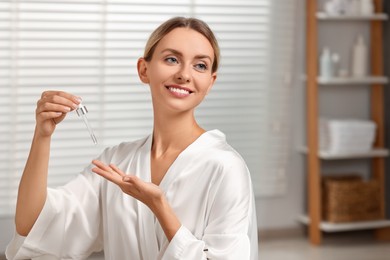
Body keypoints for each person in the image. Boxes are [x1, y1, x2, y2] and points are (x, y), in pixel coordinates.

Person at [6, 16, 258, 260]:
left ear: (210, 81)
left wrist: (159, 206)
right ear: (143, 69)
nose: (184, 74)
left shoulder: (225, 167)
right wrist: (42, 135)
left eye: (200, 65)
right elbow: (33, 226)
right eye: (172, 59)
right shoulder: (117, 162)